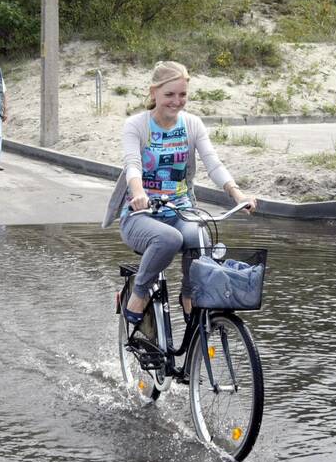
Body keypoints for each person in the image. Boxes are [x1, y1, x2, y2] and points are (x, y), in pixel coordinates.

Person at [102, 61, 257, 324]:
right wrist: (138, 193)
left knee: (200, 236)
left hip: (180, 210)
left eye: (182, 94)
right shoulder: (137, 125)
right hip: (141, 215)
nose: (176, 101)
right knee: (169, 239)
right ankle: (139, 294)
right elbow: (132, 165)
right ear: (154, 93)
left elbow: (213, 162)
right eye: (169, 95)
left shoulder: (192, 125)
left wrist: (237, 194)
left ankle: (189, 296)